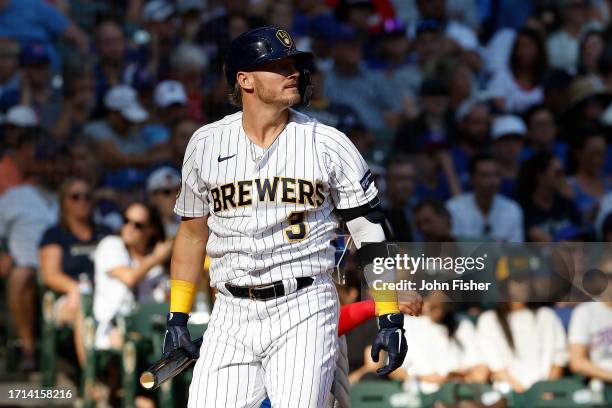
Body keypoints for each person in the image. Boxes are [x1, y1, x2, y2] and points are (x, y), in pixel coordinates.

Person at [163, 27, 416, 407]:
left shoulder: (328, 143)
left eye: (293, 64)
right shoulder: (205, 143)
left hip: (304, 303)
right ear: (244, 80)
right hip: (230, 309)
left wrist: (388, 313)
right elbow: (192, 234)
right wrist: (177, 315)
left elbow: (369, 231)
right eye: (277, 65)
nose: (292, 71)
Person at [39, 177, 111, 366]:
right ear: (64, 202)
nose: (82, 201)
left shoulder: (105, 232)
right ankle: (90, 378)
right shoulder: (55, 234)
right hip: (68, 299)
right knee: (84, 310)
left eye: (87, 196)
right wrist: (74, 288)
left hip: (106, 296)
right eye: (75, 197)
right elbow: (50, 274)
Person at [93, 201, 171, 351]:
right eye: (126, 221)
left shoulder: (157, 259)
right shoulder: (111, 244)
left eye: (138, 225)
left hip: (153, 329)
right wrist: (155, 258)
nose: (129, 228)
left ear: (152, 230)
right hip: (112, 328)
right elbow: (129, 278)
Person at [477, 272, 568, 393]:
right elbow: (496, 367)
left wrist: (546, 392)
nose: (524, 285)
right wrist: (522, 394)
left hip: (545, 395)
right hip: (508, 395)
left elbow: (559, 359)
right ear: (504, 286)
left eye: (527, 280)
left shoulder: (546, 315)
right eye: (517, 281)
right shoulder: (488, 320)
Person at [395, 291, 488, 394]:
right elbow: (395, 370)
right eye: (434, 307)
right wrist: (422, 378)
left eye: (444, 306)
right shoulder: (406, 324)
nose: (439, 312)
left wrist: (464, 377)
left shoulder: (461, 322)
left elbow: (479, 366)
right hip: (424, 394)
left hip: (459, 391)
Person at [446, 154, 524, 242]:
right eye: (485, 176)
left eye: (496, 175)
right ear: (472, 179)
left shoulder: (512, 209)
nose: (492, 181)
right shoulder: (453, 208)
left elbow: (516, 251)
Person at [517, 152, 581, 242]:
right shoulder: (525, 210)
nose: (563, 178)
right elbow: (546, 243)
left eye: (563, 172)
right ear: (540, 176)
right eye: (558, 173)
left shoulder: (565, 202)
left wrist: (572, 200)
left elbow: (580, 233)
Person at [487, 27, 547, 113]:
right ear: (515, 51)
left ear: (539, 50)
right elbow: (498, 110)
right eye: (521, 46)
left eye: (529, 46)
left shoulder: (548, 81)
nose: (524, 52)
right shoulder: (501, 79)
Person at [490, 115, 526, 199]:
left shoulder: (531, 172)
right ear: (495, 144)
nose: (511, 146)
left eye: (516, 140)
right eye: (506, 140)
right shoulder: (486, 176)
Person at [146, 167, 181, 238]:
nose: (175, 196)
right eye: (167, 192)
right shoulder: (143, 228)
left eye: (178, 191)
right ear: (152, 197)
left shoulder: (194, 224)